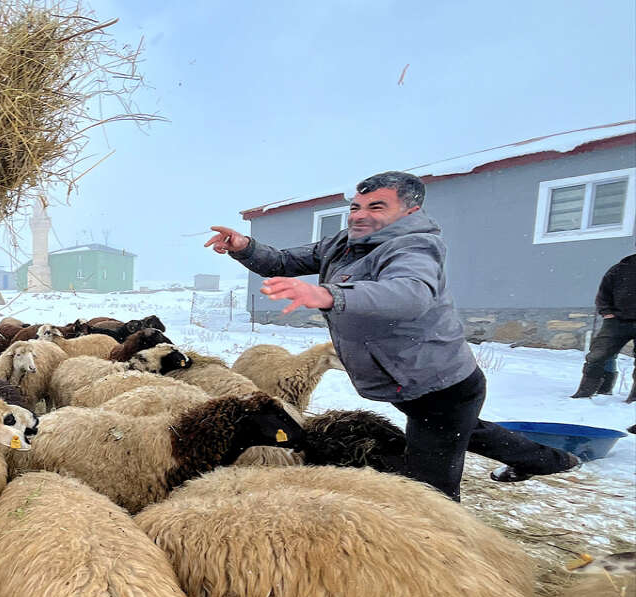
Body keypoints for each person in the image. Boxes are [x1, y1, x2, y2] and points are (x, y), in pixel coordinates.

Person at [206, 171, 578, 501]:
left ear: (410, 211)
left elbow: (409, 293)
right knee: (463, 430)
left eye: (377, 207)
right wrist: (245, 247)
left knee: (430, 487)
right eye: (356, 206)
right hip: (404, 378)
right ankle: (549, 461)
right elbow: (284, 261)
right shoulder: (343, 244)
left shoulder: (415, 248)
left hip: (439, 383)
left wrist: (329, 295)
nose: (359, 215)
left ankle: (442, 542)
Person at [569, 253, 635, 402]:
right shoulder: (620, 269)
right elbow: (603, 293)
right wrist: (606, 312)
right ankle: (588, 392)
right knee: (597, 355)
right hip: (617, 321)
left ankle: (634, 399)